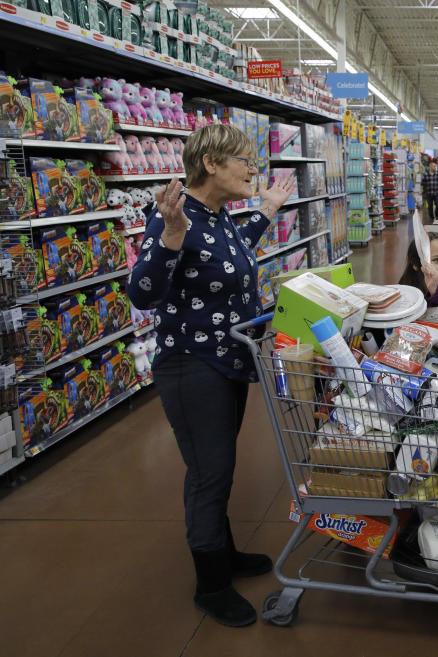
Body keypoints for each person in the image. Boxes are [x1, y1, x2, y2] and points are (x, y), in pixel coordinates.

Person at [127, 124, 295, 628]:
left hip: (225, 361)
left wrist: (265, 211)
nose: (253, 167)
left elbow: (234, 250)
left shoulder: (218, 217)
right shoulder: (176, 219)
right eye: (243, 160)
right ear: (211, 165)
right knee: (209, 473)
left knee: (217, 466)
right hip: (191, 365)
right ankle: (210, 584)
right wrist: (170, 239)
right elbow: (142, 294)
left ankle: (224, 552)